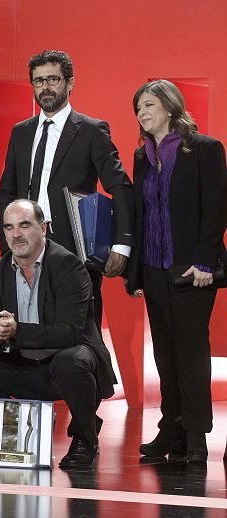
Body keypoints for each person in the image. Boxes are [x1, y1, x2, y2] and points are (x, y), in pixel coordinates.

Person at [0, 200, 117, 470]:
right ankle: (17, 430)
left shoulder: (69, 266)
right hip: (21, 364)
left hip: (62, 363)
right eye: (9, 227)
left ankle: (85, 437)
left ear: (43, 228)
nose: (16, 234)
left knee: (71, 362)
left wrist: (17, 331)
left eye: (24, 225)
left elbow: (70, 332)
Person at [126, 80, 227, 464]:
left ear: (170, 107)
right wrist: (133, 269)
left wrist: (205, 262)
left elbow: (216, 209)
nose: (142, 113)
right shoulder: (142, 156)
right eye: (138, 107)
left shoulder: (204, 149)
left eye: (149, 105)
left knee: (191, 352)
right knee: (164, 354)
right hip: (153, 268)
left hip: (192, 269)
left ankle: (196, 435)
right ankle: (172, 428)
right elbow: (141, 213)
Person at [0, 50, 134, 328]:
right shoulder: (21, 131)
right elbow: (6, 192)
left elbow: (120, 186)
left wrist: (121, 245)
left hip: (76, 248)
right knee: (28, 327)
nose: (45, 87)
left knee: (83, 330)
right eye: (38, 81)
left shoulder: (92, 130)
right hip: (24, 244)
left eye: (53, 79)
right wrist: (6, 242)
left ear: (70, 83)